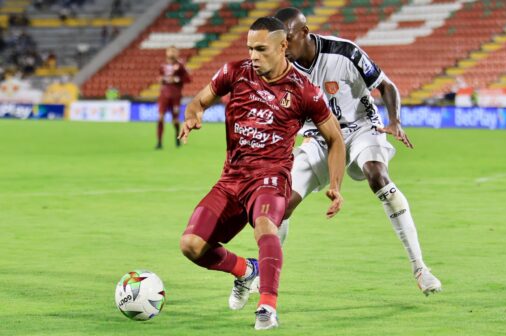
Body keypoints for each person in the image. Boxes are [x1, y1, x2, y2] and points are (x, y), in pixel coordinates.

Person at [178, 17, 345, 330]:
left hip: (271, 179)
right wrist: (193, 116)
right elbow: (198, 101)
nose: (253, 55)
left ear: (283, 47)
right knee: (191, 245)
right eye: (249, 48)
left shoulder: (304, 92)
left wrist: (335, 185)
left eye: (261, 49)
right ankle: (245, 270)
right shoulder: (234, 72)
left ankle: (267, 306)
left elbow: (335, 139)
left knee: (266, 227)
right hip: (231, 179)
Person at [271, 7, 442, 295]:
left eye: (287, 39)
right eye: (279, 43)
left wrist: (395, 121)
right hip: (320, 137)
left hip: (361, 127)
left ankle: (421, 269)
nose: (283, 48)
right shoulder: (280, 69)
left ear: (304, 32)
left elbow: (386, 86)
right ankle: (262, 273)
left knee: (377, 175)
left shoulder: (345, 53)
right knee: (282, 205)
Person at [156, 46, 191, 149]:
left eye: (174, 51)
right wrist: (161, 79)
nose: (171, 53)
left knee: (175, 120)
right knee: (160, 117)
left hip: (175, 95)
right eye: (170, 51)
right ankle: (159, 142)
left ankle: (177, 137)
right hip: (163, 95)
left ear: (177, 53)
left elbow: (188, 79)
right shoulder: (162, 66)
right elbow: (159, 77)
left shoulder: (180, 66)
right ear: (166, 53)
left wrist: (176, 79)